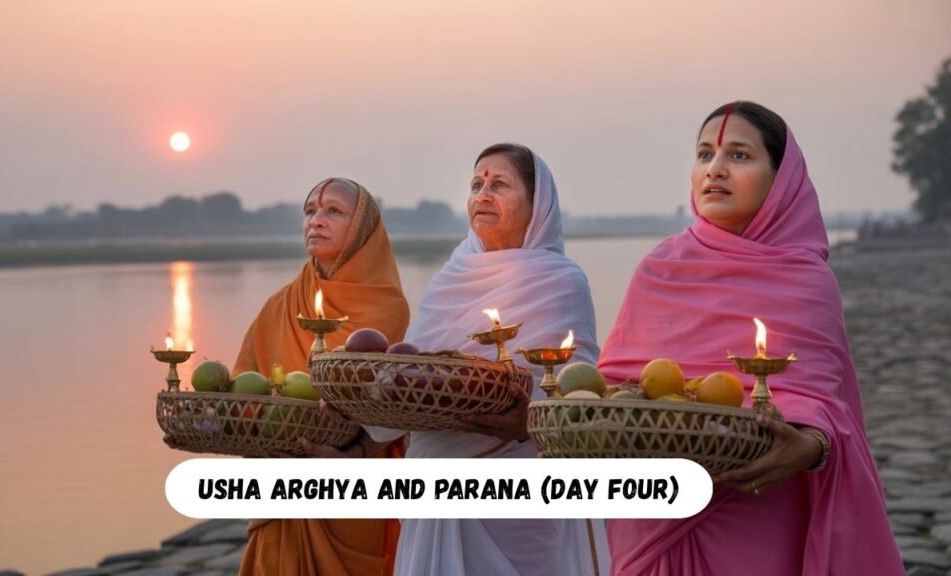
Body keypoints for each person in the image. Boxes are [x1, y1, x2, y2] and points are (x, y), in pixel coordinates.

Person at [596, 102, 903, 575]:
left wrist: (812, 448)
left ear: (781, 179)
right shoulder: (660, 269)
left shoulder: (806, 279)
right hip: (657, 506)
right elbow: (615, 385)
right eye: (704, 155)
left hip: (757, 501)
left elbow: (824, 406)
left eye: (738, 156)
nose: (715, 170)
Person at [368, 143, 610, 576]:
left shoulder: (562, 281)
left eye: (499, 184)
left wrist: (527, 421)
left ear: (538, 206)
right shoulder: (450, 277)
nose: (482, 194)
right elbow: (413, 379)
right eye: (476, 184)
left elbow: (580, 392)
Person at [232, 177, 411, 576]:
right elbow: (243, 386)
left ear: (363, 228)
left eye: (334, 211)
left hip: (351, 487)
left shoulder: (387, 309)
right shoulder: (279, 304)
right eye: (310, 211)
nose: (316, 220)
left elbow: (382, 408)